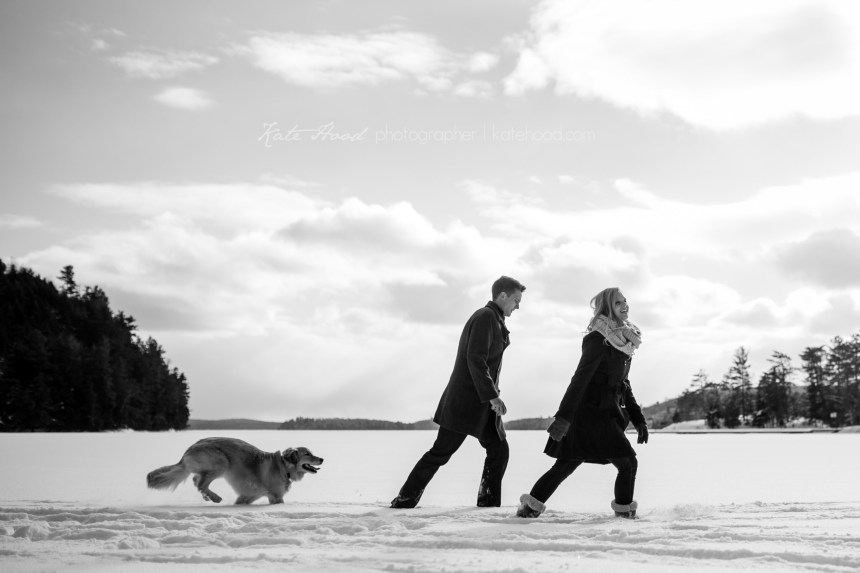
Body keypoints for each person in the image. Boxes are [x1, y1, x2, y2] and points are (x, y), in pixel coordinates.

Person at [390, 276, 526, 509]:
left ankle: (488, 504)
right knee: (441, 452)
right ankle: (405, 498)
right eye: (516, 300)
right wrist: (492, 395)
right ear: (502, 296)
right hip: (466, 402)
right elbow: (476, 359)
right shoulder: (485, 317)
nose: (518, 306)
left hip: (482, 404)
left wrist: (491, 396)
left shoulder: (494, 319)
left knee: (499, 450)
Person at [516, 287, 648, 519]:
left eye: (625, 301)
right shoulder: (597, 339)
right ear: (607, 308)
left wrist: (638, 419)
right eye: (618, 303)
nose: (625, 306)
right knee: (627, 463)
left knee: (567, 463)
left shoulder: (624, 341)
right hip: (590, 415)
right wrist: (563, 417)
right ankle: (625, 517)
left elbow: (623, 384)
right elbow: (580, 379)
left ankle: (529, 509)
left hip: (605, 414)